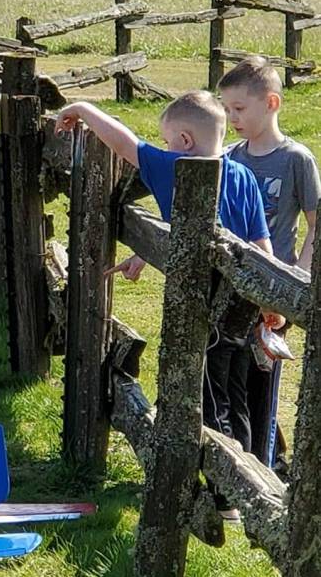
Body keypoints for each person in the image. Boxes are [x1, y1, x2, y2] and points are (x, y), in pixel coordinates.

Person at [55, 91, 272, 514]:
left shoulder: (175, 167)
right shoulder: (243, 175)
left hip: (207, 313)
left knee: (209, 399)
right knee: (237, 394)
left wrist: (83, 108)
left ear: (185, 141)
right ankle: (251, 478)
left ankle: (228, 493)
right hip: (245, 309)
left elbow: (122, 142)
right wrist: (267, 303)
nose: (166, 146)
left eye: (169, 139)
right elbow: (261, 244)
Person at [219, 55, 321, 473]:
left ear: (272, 103)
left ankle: (267, 461)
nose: (232, 117)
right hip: (231, 283)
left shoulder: (296, 159)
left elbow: (316, 226)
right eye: (226, 109)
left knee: (263, 376)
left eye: (239, 109)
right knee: (230, 374)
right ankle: (243, 454)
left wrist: (297, 276)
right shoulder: (228, 156)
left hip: (275, 292)